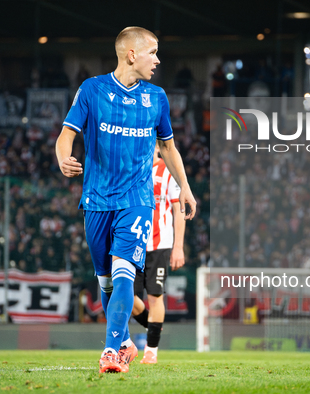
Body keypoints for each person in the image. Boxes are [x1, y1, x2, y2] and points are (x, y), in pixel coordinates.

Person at [56, 26, 196, 374]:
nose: (158, 59)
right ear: (131, 54)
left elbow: (168, 147)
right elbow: (67, 134)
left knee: (122, 275)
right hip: (97, 200)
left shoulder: (157, 97)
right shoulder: (92, 90)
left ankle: (110, 350)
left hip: (136, 200)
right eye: (153, 52)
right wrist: (62, 156)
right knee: (105, 281)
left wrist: (186, 188)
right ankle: (123, 341)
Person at [131, 145, 186, 364]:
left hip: (160, 244)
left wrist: (178, 246)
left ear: (157, 147)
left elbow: (178, 210)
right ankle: (155, 326)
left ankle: (151, 351)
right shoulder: (132, 169)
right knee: (128, 297)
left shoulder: (168, 171)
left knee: (155, 297)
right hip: (133, 243)